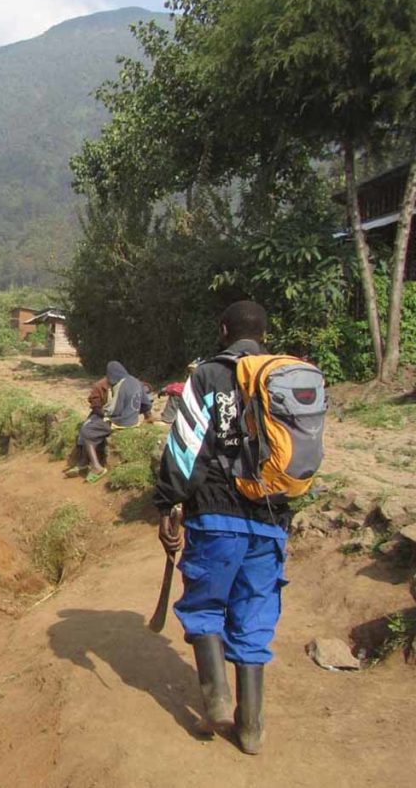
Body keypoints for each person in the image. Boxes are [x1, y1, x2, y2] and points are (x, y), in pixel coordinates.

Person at [154, 300, 286, 755]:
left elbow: (185, 446)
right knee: (254, 617)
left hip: (215, 515)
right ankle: (250, 729)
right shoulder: (285, 378)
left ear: (224, 329)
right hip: (272, 518)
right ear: (265, 334)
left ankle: (217, 701)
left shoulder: (208, 375)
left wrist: (168, 502)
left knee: (206, 604)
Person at [65, 360, 153, 483]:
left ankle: (96, 466)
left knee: (87, 430)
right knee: (91, 425)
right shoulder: (136, 381)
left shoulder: (120, 385)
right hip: (133, 421)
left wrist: (105, 416)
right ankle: (83, 462)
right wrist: (144, 416)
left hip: (120, 422)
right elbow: (147, 404)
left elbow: (114, 411)